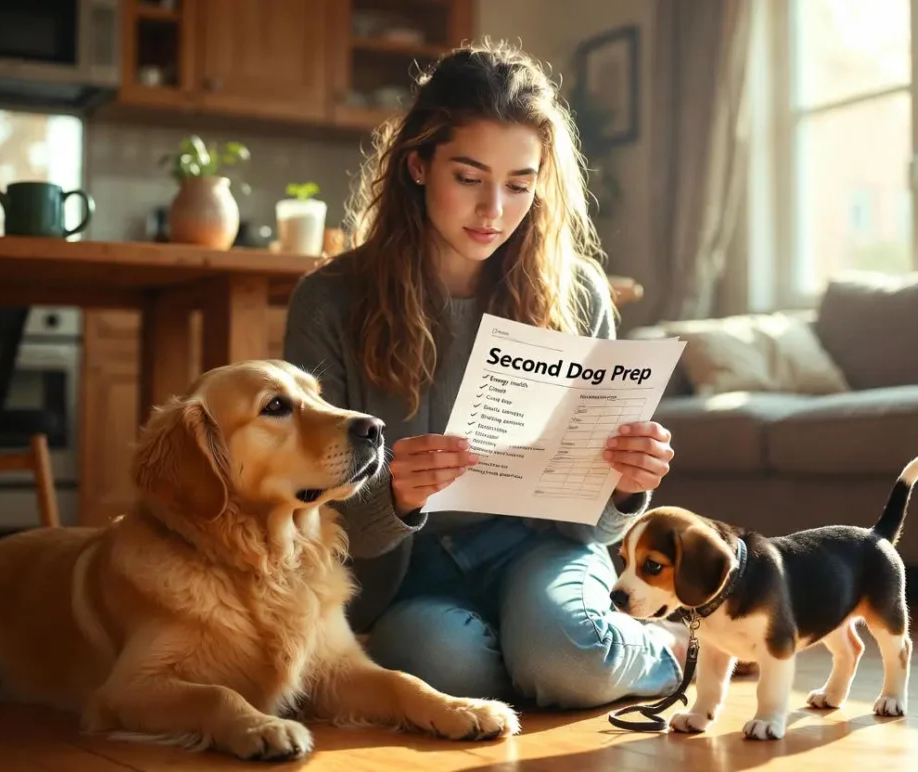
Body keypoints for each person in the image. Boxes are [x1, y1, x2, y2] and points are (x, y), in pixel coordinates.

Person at [283, 40, 687, 710]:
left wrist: (622, 489)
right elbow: (301, 502)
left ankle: (665, 649)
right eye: (468, 178)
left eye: (520, 185)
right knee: (445, 670)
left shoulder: (578, 294)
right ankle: (539, 652)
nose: (493, 210)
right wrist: (397, 498)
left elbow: (593, 528)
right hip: (406, 574)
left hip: (540, 549)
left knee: (568, 662)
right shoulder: (330, 301)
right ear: (418, 163)